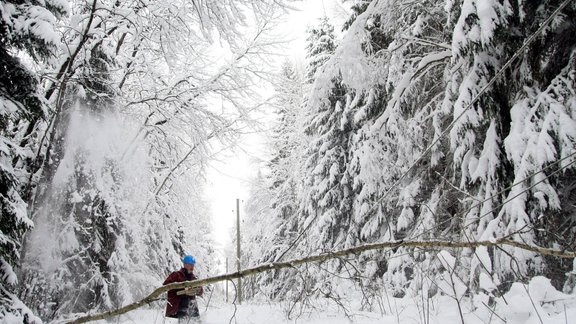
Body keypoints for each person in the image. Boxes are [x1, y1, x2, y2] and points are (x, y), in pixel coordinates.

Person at [164, 255, 204, 322]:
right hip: (178, 307)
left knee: (196, 321)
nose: (192, 267)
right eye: (190, 265)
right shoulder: (176, 275)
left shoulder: (193, 278)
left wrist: (199, 290)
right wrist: (180, 288)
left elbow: (201, 291)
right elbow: (166, 286)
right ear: (185, 264)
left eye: (193, 265)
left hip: (192, 307)